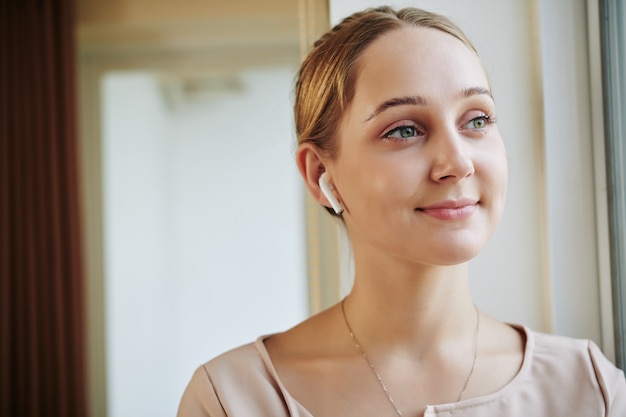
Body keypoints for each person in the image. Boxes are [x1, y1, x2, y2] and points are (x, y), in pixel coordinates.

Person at [177, 6, 626, 416]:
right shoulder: (231, 399)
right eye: (405, 130)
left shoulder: (589, 388)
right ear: (319, 175)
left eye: (477, 120)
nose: (458, 163)